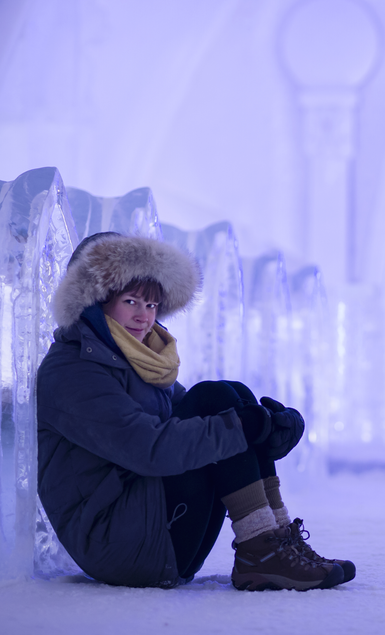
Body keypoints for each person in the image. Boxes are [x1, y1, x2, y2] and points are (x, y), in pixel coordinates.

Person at [36, 231, 354, 591]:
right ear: (95, 300)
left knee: (231, 395)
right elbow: (150, 449)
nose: (144, 317)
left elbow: (205, 426)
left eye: (152, 305)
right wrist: (242, 428)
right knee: (215, 400)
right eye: (131, 301)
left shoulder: (135, 360)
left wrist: (271, 432)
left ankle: (275, 539)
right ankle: (262, 552)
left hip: (152, 525)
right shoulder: (72, 370)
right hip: (119, 543)